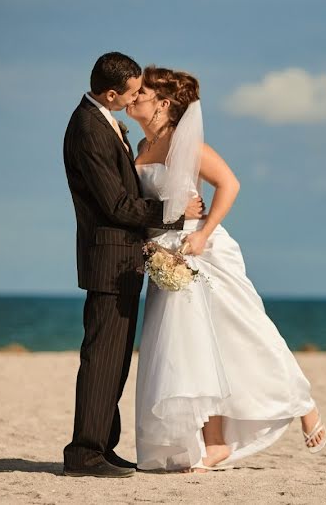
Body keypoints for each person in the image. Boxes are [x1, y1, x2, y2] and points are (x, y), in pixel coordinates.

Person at [126, 66, 326, 473]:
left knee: (244, 330)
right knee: (191, 350)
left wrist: (203, 234)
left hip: (201, 252)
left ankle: (302, 401)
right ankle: (213, 444)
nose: (134, 96)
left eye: (143, 91)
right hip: (166, 256)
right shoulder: (141, 148)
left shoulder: (188, 144)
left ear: (163, 103)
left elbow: (230, 184)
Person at [62, 52, 204, 478]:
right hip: (108, 256)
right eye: (131, 93)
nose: (135, 98)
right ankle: (85, 453)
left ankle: (103, 446)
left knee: (114, 360)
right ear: (110, 93)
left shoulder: (104, 121)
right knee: (102, 357)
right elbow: (116, 204)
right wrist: (174, 215)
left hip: (121, 259)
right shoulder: (89, 128)